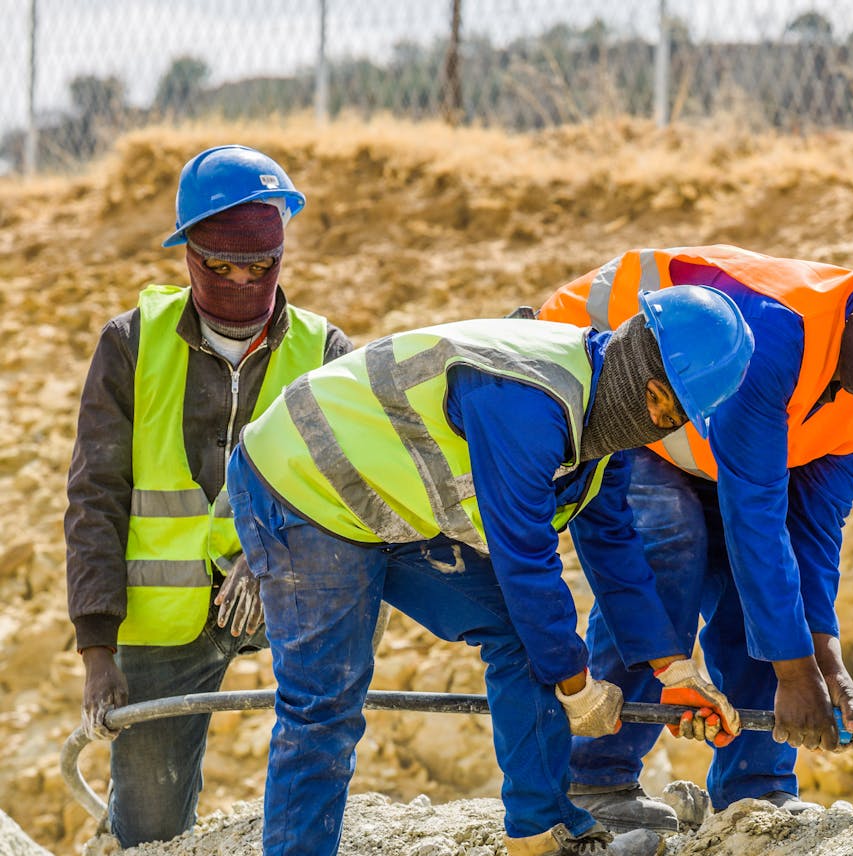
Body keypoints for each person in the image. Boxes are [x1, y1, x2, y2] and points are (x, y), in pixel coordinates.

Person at [225, 284, 754, 856]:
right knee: (324, 703)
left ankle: (543, 835)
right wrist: (575, 686)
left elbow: (613, 544)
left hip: (387, 504)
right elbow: (523, 555)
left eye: (671, 418)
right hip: (302, 481)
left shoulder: (599, 424)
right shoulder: (529, 399)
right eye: (656, 399)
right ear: (633, 358)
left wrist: (672, 668)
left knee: (525, 639)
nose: (654, 421)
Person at [538, 240, 853, 831]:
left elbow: (814, 523)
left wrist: (823, 651)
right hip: (619, 390)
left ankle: (756, 790)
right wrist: (793, 675)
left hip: (706, 442)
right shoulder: (776, 333)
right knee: (671, 544)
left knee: (764, 587)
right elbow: (754, 513)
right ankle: (595, 781)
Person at [65, 144, 352, 847]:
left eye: (260, 265)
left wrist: (269, 553)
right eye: (221, 266)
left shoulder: (323, 354)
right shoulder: (131, 346)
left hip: (284, 594)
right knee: (151, 826)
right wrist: (97, 648)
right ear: (188, 254)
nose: (242, 281)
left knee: (321, 746)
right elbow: (94, 497)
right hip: (163, 622)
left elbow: (350, 494)